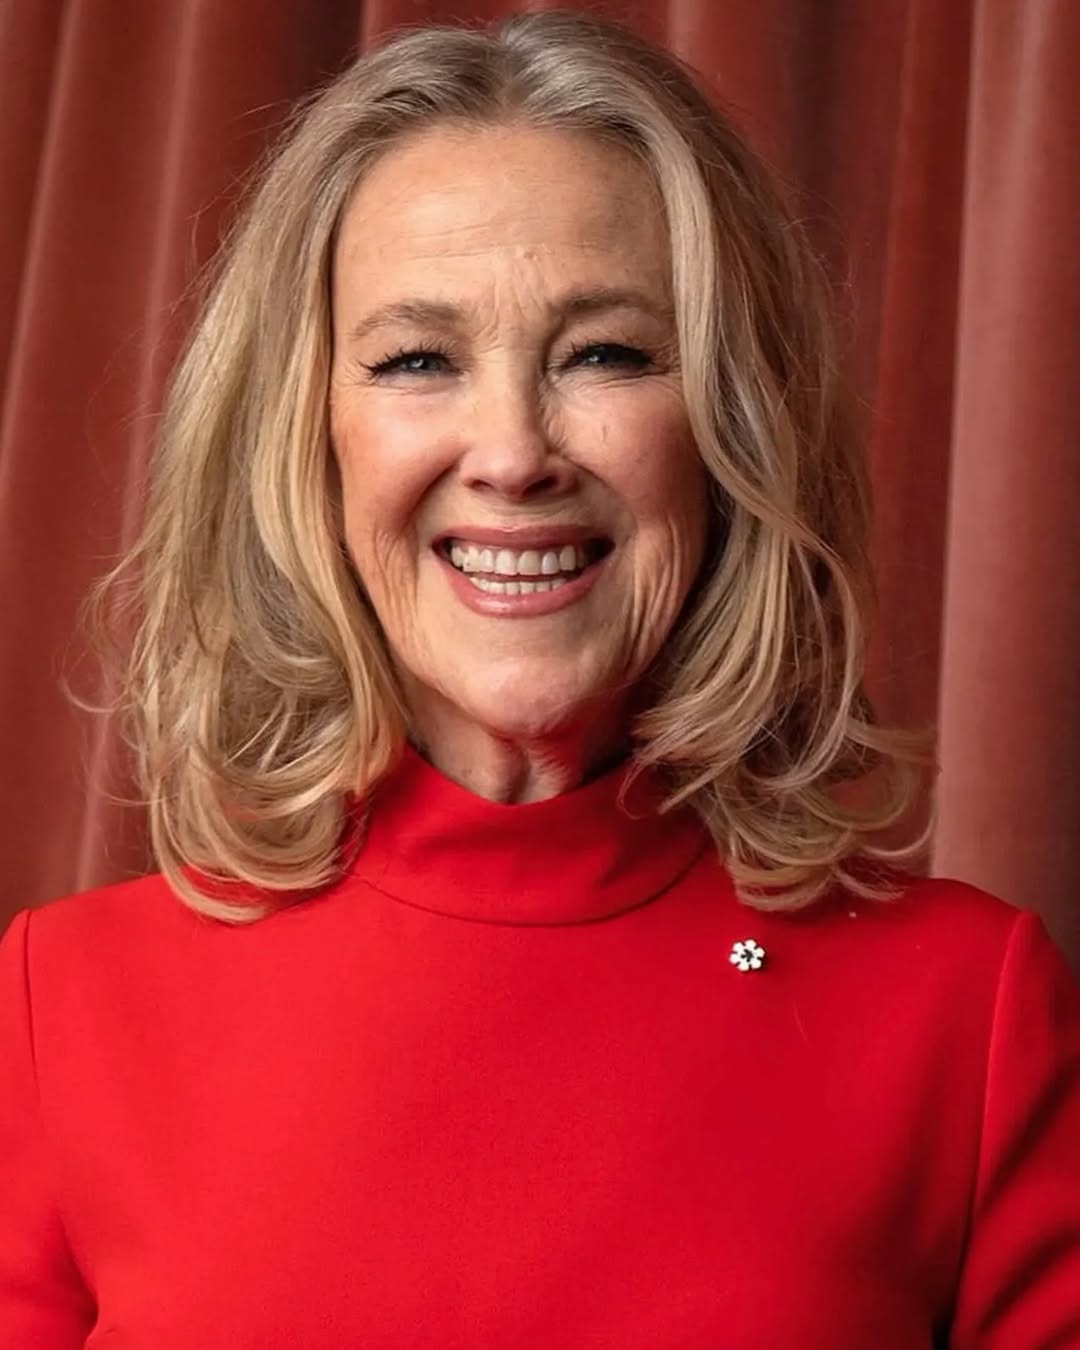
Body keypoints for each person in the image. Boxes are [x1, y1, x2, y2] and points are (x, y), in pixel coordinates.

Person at [2, 10, 1078, 1347]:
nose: (513, 453)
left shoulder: (965, 1015)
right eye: (418, 360)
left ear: (731, 424)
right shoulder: (65, 1008)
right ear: (305, 436)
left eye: (604, 353)